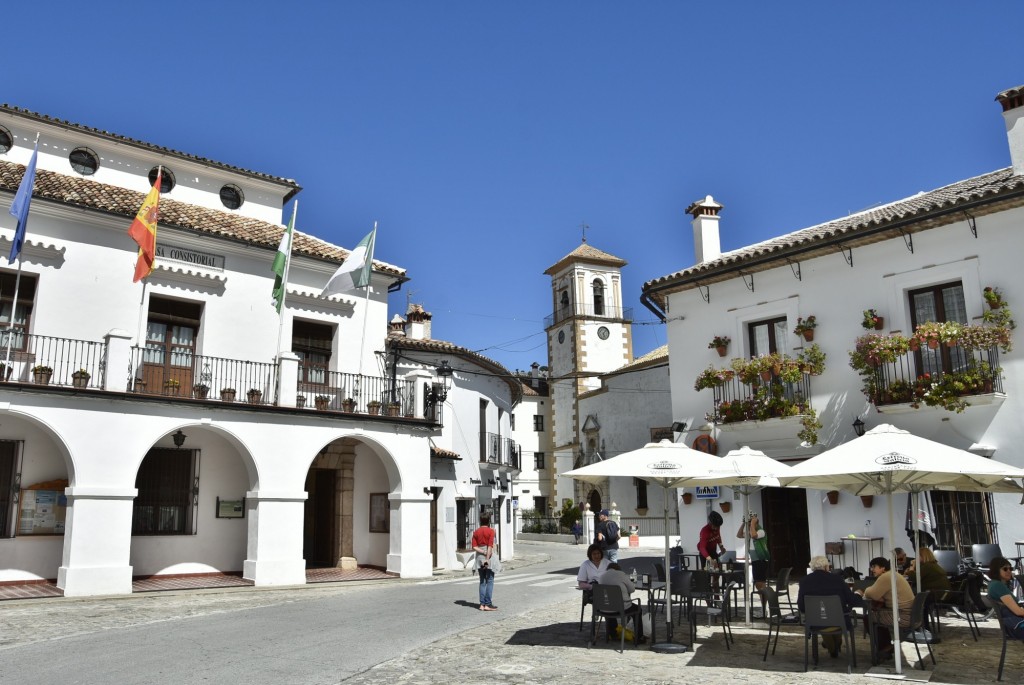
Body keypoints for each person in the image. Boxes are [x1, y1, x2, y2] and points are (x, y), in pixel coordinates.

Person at [797, 555, 863, 658]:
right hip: (839, 620)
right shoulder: (837, 579)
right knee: (835, 616)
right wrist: (858, 594)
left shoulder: (804, 581)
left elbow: (801, 606)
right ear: (826, 567)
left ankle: (831, 646)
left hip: (815, 622)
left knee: (824, 618)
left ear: (812, 567)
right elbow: (852, 600)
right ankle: (833, 646)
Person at [854, 556, 914, 659]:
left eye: (874, 566)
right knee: (877, 615)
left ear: (882, 567)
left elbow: (872, 593)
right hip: (910, 614)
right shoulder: (893, 574)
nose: (872, 569)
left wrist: (862, 591)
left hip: (902, 616)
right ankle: (886, 647)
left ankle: (884, 648)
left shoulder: (886, 576)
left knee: (868, 618)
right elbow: (880, 595)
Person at [596, 562, 645, 642]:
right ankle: (639, 637)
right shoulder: (621, 574)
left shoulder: (601, 576)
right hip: (621, 608)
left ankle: (613, 634)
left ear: (608, 569)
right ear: (618, 569)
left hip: (604, 608)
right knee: (637, 609)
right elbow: (632, 589)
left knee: (610, 608)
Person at [987, 556, 1024, 638]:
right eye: (1005, 569)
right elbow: (1018, 612)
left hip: (1011, 625)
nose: (1009, 571)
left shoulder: (994, 584)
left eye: (1010, 569)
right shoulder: (998, 586)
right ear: (996, 570)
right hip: (1016, 627)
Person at [472, 514, 500, 611]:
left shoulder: (476, 532)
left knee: (482, 581)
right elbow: (490, 546)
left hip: (479, 557)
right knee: (490, 580)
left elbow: (474, 547)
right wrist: (487, 559)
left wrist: (482, 552)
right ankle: (488, 603)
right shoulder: (491, 531)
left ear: (480, 521)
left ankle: (481, 604)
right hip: (489, 557)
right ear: (488, 521)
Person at [737, 511, 769, 591]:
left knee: (760, 584)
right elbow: (739, 535)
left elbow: (754, 535)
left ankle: (764, 601)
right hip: (755, 561)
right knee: (758, 584)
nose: (748, 526)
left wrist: (752, 523)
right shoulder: (750, 532)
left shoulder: (761, 531)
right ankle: (764, 601)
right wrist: (744, 523)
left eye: (749, 524)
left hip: (761, 560)